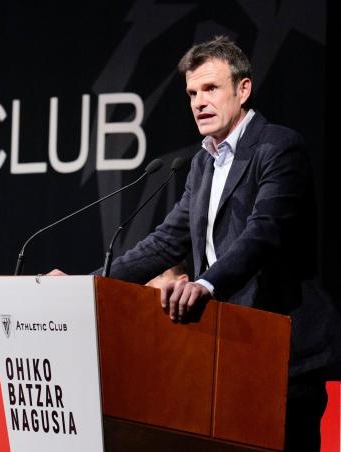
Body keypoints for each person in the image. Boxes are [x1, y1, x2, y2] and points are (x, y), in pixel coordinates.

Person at [51, 36, 323, 450]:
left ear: (243, 89)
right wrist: (86, 285)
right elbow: (163, 243)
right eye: (192, 93)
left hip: (280, 356)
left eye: (211, 89)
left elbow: (262, 232)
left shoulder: (277, 147)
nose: (199, 102)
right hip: (225, 354)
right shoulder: (203, 162)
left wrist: (206, 284)